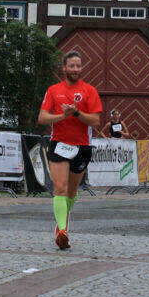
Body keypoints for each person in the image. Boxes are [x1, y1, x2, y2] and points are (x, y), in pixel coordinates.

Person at [38, 51, 103, 250]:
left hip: (82, 146)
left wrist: (75, 113)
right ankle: (62, 231)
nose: (75, 69)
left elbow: (95, 120)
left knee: (72, 192)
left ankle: (61, 226)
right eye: (72, 66)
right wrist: (62, 116)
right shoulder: (53, 90)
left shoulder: (89, 91)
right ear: (64, 68)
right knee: (60, 188)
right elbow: (42, 118)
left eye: (78, 66)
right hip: (59, 144)